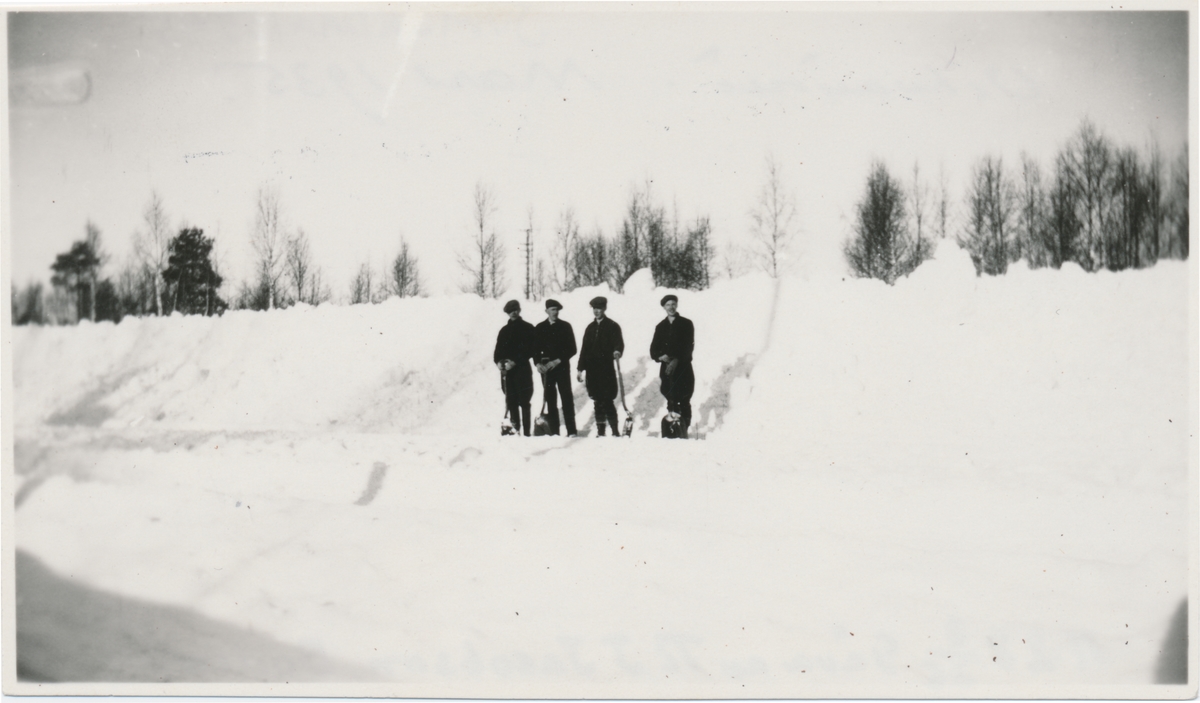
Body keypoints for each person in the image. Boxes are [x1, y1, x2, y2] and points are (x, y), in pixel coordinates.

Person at [576, 296, 625, 437]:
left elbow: (619, 343)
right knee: (597, 401)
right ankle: (601, 431)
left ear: (605, 308)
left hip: (606, 369)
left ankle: (615, 431)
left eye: (599, 308)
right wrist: (580, 369)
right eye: (594, 308)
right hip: (592, 370)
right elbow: (584, 349)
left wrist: (617, 351)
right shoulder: (590, 328)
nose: (597, 311)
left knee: (607, 400)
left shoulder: (612, 326)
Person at [649, 293, 695, 438]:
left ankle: (684, 429)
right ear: (664, 307)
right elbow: (653, 349)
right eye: (668, 305)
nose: (671, 307)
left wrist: (676, 359)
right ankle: (673, 430)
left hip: (683, 368)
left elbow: (688, 347)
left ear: (677, 305)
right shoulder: (660, 326)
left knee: (684, 399)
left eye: (673, 304)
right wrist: (660, 356)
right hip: (667, 369)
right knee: (671, 399)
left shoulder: (686, 323)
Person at [533, 299, 577, 437]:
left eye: (557, 309)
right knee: (550, 399)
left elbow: (572, 349)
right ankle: (554, 432)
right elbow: (534, 349)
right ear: (546, 311)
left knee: (566, 398)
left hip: (562, 367)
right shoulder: (539, 327)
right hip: (546, 370)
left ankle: (571, 431)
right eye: (552, 309)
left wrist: (557, 361)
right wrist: (537, 364)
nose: (555, 312)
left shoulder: (565, 326)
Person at [494, 299, 536, 436]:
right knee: (511, 401)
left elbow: (531, 349)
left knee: (524, 401)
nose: (514, 313)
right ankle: (515, 431)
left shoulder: (528, 328)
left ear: (519, 310)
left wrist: (516, 361)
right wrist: (499, 362)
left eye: (516, 310)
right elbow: (498, 351)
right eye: (511, 311)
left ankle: (527, 433)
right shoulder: (504, 331)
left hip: (522, 370)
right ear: (507, 313)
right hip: (508, 373)